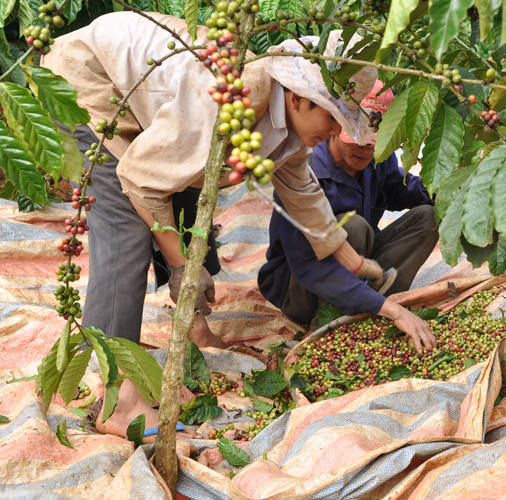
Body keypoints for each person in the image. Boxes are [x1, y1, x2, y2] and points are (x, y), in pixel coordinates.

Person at [42, 13, 386, 440]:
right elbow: (140, 178)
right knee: (126, 227)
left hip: (157, 111)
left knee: (187, 188)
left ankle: (192, 332)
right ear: (299, 99)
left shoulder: (294, 128)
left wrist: (352, 260)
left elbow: (301, 188)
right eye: (334, 119)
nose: (338, 133)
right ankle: (119, 399)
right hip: (91, 82)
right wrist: (183, 265)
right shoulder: (225, 99)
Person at [259, 81, 439, 348]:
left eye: (373, 143)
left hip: (359, 265)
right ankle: (330, 329)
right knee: (353, 227)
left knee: (427, 216)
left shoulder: (376, 157)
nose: (365, 149)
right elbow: (309, 266)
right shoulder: (301, 176)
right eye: (357, 139)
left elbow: (400, 189)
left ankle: (370, 303)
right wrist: (395, 311)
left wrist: (445, 189)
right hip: (300, 286)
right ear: (335, 126)